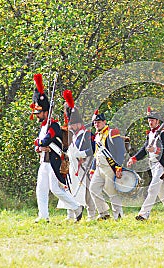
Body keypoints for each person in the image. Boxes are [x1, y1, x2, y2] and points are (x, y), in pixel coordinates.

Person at [30, 74, 83, 223]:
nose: (37, 115)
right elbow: (42, 143)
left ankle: (77, 208)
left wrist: (40, 144)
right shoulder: (44, 126)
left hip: (54, 162)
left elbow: (47, 140)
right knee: (40, 189)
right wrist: (39, 147)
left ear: (46, 112)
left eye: (39, 112)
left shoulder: (53, 125)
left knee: (56, 189)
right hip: (44, 162)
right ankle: (43, 216)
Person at [127, 107, 164, 221]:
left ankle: (144, 214)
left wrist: (155, 150)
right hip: (152, 164)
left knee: (152, 189)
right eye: (149, 120)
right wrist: (134, 158)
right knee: (161, 191)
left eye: (153, 120)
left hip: (161, 165)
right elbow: (145, 149)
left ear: (158, 121)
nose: (150, 122)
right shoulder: (150, 134)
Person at [56, 90, 97, 221]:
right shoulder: (73, 136)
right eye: (70, 124)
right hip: (73, 169)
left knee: (88, 194)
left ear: (79, 123)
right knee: (71, 193)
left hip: (85, 167)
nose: (71, 126)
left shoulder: (86, 134)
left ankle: (92, 215)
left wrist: (81, 154)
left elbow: (92, 150)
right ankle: (70, 216)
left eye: (73, 124)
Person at [89, 110, 126, 220]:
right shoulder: (97, 135)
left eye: (99, 122)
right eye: (95, 122)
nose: (97, 124)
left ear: (105, 122)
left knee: (112, 192)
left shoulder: (112, 132)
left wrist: (118, 167)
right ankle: (103, 213)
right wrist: (92, 169)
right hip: (99, 167)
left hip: (110, 167)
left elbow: (120, 151)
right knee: (93, 189)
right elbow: (96, 154)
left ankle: (118, 215)